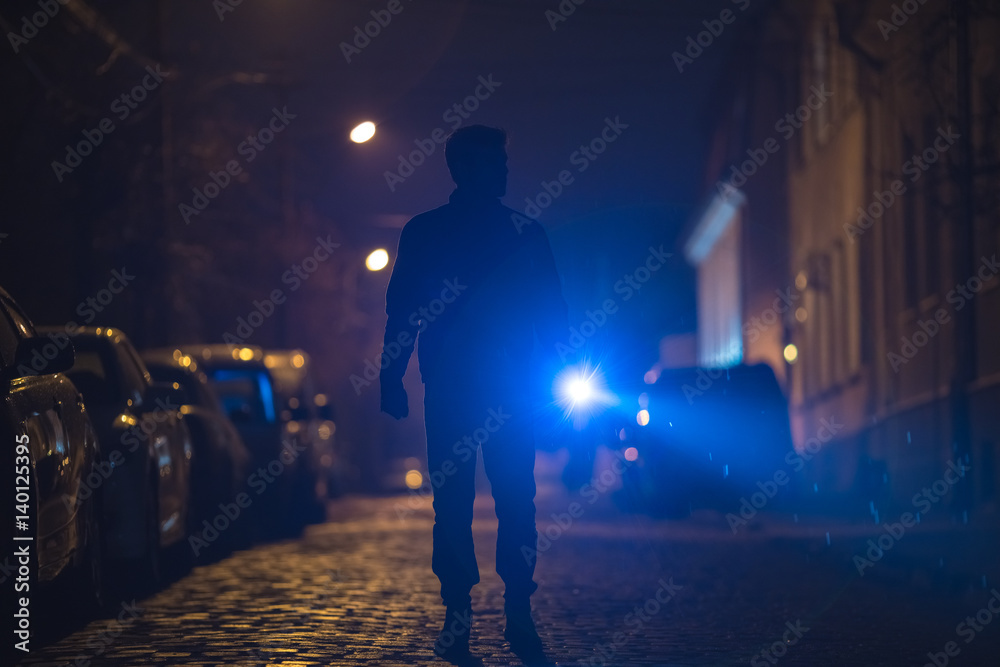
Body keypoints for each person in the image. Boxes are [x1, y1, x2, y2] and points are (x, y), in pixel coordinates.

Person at [379, 125, 568, 665]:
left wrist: (392, 375)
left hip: (466, 387)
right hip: (492, 388)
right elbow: (553, 317)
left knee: (472, 504)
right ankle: (495, 618)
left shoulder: (430, 231)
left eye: (503, 163)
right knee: (504, 502)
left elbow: (404, 312)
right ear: (466, 169)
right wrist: (390, 375)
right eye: (495, 163)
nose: (505, 172)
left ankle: (483, 618)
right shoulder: (521, 234)